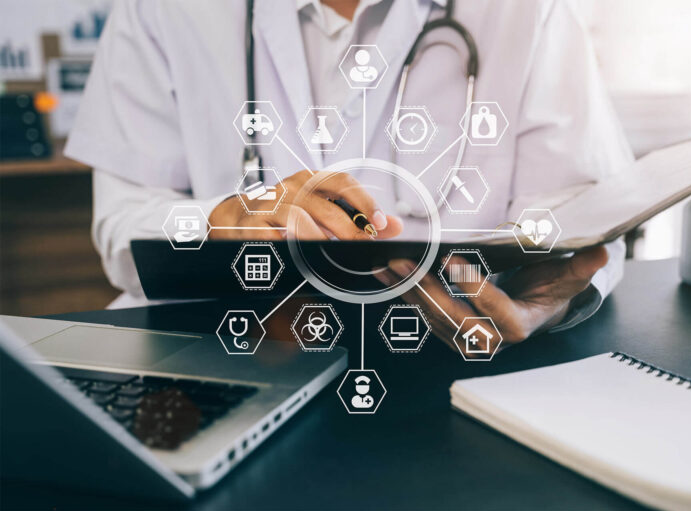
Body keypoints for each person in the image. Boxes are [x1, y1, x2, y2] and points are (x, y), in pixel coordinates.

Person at [65, 0, 632, 347]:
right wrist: (216, 220)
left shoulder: (530, 9)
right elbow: (122, 228)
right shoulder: (160, 9)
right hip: (232, 349)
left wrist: (552, 299)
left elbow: (585, 215)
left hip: (451, 367)